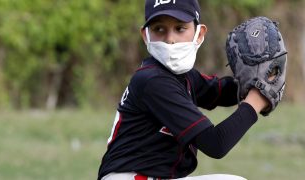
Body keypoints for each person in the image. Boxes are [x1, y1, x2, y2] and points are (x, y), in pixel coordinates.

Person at [98, 0, 269, 179]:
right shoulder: (153, 81)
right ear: (145, 35)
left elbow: (220, 91)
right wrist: (257, 99)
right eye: (159, 29)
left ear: (200, 33)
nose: (170, 39)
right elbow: (216, 143)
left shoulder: (181, 76)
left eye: (180, 28)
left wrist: (258, 78)